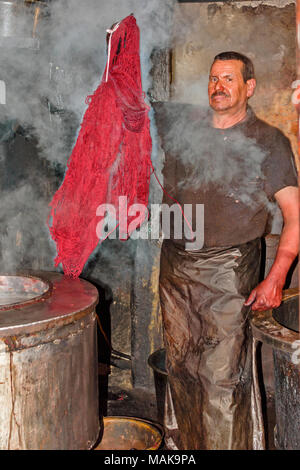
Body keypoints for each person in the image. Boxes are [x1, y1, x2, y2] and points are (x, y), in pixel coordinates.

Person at [153, 51, 299, 450]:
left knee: (221, 378)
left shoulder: (268, 141)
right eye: (214, 79)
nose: (218, 86)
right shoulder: (185, 129)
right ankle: (186, 448)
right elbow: (135, 109)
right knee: (182, 367)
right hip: (176, 267)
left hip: (229, 270)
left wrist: (276, 276)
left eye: (229, 79)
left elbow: (295, 216)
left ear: (249, 88)